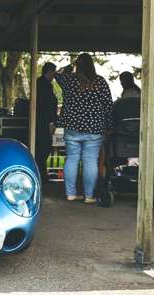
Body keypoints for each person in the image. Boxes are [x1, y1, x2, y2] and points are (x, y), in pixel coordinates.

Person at [55, 53, 113, 203]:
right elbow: (108, 106)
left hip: (72, 126)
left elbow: (58, 73)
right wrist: (109, 125)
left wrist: (70, 66)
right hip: (94, 128)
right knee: (90, 161)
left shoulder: (69, 79)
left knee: (72, 159)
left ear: (77, 65)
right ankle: (89, 196)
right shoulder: (100, 81)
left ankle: (71, 194)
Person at [35, 62, 59, 182]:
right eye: (53, 73)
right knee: (44, 147)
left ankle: (42, 173)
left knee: (42, 148)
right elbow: (47, 105)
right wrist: (51, 121)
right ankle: (41, 173)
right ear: (49, 72)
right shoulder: (44, 85)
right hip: (44, 122)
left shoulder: (40, 83)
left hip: (42, 121)